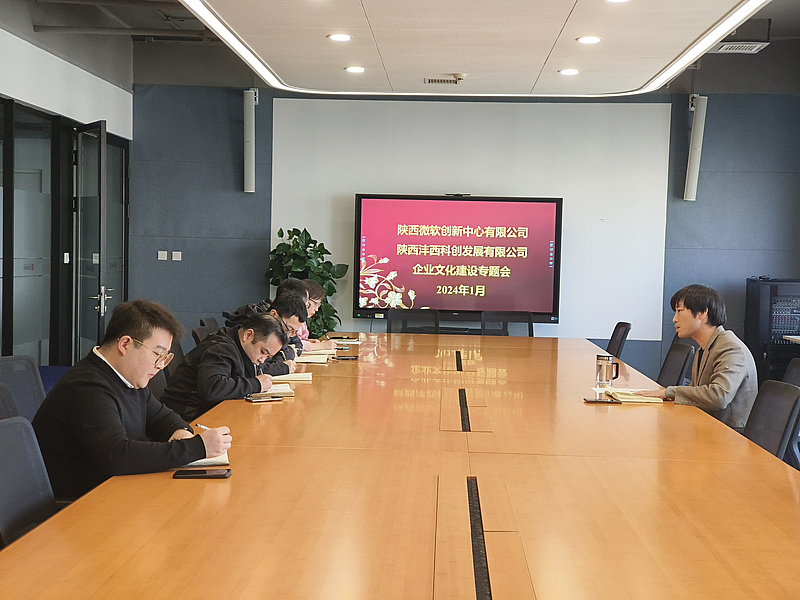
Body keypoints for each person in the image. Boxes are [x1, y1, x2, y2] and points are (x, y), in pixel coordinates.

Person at [32, 299, 232, 501]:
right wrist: (196, 448)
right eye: (158, 354)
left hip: (117, 490)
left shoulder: (129, 379)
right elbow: (117, 456)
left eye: (166, 357)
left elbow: (162, 417)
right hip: (83, 504)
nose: (161, 365)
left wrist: (179, 432)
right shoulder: (87, 386)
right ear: (125, 344)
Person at [637, 284, 758, 431]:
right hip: (705, 426)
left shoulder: (730, 347)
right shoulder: (706, 346)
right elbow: (697, 391)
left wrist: (668, 392)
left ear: (702, 313)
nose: (674, 319)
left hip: (728, 435)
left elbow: (719, 396)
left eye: (679, 311)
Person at [161, 314, 288, 422]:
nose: (262, 360)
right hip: (186, 417)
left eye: (268, 356)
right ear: (248, 335)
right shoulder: (221, 348)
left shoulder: (238, 346)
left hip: (204, 411)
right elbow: (213, 387)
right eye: (263, 352)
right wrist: (257, 384)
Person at [298, 279, 337, 351]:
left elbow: (299, 342)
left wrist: (309, 342)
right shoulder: (293, 319)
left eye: (318, 305)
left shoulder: (302, 320)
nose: (316, 309)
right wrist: (322, 346)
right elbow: (293, 345)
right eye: (315, 304)